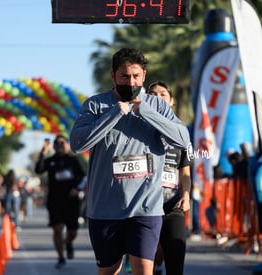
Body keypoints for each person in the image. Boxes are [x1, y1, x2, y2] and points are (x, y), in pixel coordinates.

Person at [69, 48, 190, 275]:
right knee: (109, 270)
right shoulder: (95, 105)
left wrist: (145, 111)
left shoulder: (158, 106)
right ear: (113, 76)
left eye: (135, 76)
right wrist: (114, 113)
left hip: (146, 207)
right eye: (124, 76)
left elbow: (183, 139)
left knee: (144, 268)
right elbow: (77, 143)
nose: (130, 81)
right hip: (105, 208)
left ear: (143, 76)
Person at [146, 81, 192, 275]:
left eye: (163, 94)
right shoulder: (138, 130)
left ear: (171, 101)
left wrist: (186, 196)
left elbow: (185, 172)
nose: (158, 97)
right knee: (145, 264)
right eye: (153, 94)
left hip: (172, 205)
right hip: (144, 206)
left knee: (176, 259)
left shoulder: (181, 133)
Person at [34, 135, 86, 269]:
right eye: (57, 143)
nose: (60, 145)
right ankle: (61, 257)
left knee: (72, 231)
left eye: (62, 143)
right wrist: (43, 153)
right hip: (55, 201)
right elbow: (38, 170)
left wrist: (77, 188)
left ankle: (68, 243)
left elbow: (85, 177)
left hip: (72, 201)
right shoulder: (50, 161)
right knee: (57, 228)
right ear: (54, 146)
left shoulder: (74, 160)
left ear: (67, 145)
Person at [0, 161, 20, 229]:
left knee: (7, 210)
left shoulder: (7, 178)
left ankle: (7, 224)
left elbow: (2, 173)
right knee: (16, 210)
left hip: (9, 194)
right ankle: (17, 224)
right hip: (16, 195)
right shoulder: (15, 179)